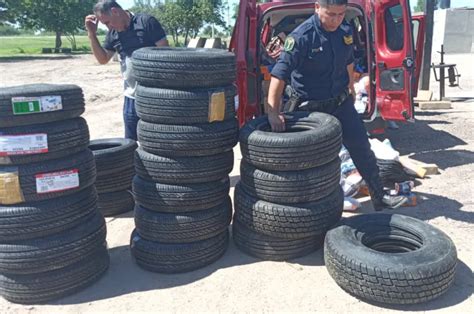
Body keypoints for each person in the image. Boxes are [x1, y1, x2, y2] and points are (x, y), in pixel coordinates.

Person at [266, 0, 407, 210]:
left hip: (340, 103)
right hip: (309, 108)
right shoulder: (301, 37)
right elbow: (278, 76)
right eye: (331, 14)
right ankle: (307, 207)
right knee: (309, 159)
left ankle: (379, 197)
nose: (336, 20)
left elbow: (347, 62)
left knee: (362, 147)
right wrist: (272, 112)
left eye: (341, 14)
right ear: (317, 7)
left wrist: (351, 89)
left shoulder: (344, 32)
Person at [85, 0, 168, 140]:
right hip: (131, 97)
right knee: (130, 142)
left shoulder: (146, 22)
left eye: (107, 22)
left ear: (115, 11)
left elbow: (166, 54)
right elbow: (103, 59)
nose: (107, 26)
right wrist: (91, 34)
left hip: (155, 95)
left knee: (157, 140)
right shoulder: (113, 33)